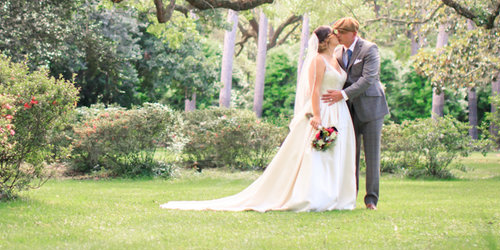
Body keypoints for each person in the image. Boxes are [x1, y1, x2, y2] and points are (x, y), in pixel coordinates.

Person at [160, 26, 356, 212]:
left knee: (336, 154)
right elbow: (314, 89)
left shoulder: (337, 60)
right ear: (324, 40)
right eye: (332, 32)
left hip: (340, 113)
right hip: (322, 111)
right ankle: (314, 196)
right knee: (318, 155)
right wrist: (316, 115)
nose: (336, 34)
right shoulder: (318, 60)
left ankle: (335, 195)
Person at [321, 17, 388, 210]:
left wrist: (342, 95)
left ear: (354, 34)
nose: (338, 36)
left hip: (372, 109)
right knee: (350, 156)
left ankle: (371, 200)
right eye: (337, 32)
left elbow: (368, 79)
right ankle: (350, 196)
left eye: (341, 32)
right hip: (348, 111)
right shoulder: (338, 52)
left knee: (372, 156)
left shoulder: (370, 49)